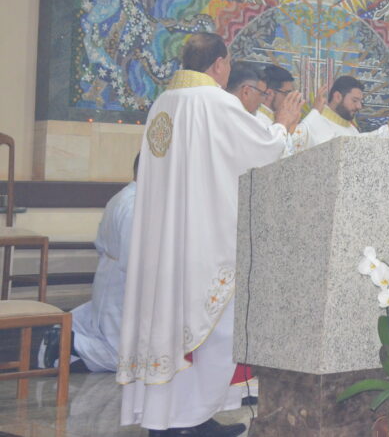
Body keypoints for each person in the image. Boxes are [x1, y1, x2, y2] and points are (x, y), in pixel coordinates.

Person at [118, 32, 302, 436]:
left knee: (170, 328)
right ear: (220, 64)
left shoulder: (163, 104)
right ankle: (185, 421)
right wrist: (284, 125)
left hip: (165, 240)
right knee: (215, 333)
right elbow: (261, 152)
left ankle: (172, 418)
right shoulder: (216, 102)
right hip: (202, 240)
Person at [39, 155, 141, 374]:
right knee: (129, 358)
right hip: (124, 284)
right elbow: (136, 259)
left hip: (113, 278)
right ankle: (70, 343)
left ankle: (68, 340)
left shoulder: (127, 197)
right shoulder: (135, 206)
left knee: (119, 341)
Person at [292, 75, 389, 151]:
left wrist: (388, 129)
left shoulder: (352, 129)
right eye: (354, 101)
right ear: (337, 97)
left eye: (360, 102)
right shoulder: (316, 122)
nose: (359, 106)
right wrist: (315, 112)